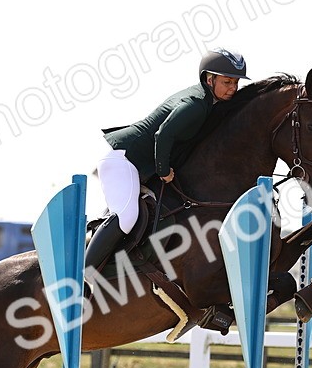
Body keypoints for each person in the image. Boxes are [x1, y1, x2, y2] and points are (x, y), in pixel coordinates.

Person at [86, 48, 250, 273]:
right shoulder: (196, 104)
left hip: (135, 163)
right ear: (209, 79)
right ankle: (82, 276)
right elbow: (163, 135)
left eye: (236, 83)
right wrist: (163, 170)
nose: (233, 88)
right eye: (228, 82)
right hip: (123, 159)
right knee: (126, 217)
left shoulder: (207, 101)